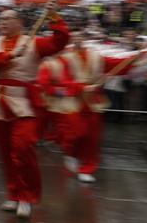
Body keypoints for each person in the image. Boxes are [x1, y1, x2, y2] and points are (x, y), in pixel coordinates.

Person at [0, 2, 69, 218]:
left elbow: (60, 42)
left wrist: (54, 16)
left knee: (23, 147)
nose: (2, 23)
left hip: (23, 104)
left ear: (19, 22)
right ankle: (14, 193)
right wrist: (9, 56)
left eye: (7, 19)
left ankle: (27, 196)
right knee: (6, 152)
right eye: (0, 20)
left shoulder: (33, 43)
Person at [37, 30, 141, 183]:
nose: (78, 38)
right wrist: (79, 87)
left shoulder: (96, 57)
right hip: (71, 102)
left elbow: (116, 65)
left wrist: (136, 57)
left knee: (92, 137)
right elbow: (55, 82)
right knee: (74, 134)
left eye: (81, 36)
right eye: (75, 35)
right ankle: (71, 154)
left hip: (92, 102)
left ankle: (87, 168)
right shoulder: (61, 59)